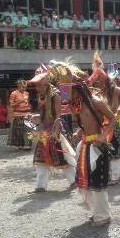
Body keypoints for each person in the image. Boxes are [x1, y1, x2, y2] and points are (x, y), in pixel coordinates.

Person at [72, 79, 116, 226]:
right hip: (85, 145)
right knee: (87, 182)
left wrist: (102, 137)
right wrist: (79, 131)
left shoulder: (96, 101)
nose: (65, 96)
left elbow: (114, 119)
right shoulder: (78, 104)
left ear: (77, 90)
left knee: (97, 181)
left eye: (67, 91)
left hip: (98, 146)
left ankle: (103, 216)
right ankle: (96, 212)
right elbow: (87, 122)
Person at [26, 65, 75, 193]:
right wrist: (35, 117)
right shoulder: (41, 96)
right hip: (43, 131)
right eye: (36, 85)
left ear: (46, 83)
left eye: (39, 85)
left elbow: (59, 116)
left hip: (55, 131)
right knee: (40, 159)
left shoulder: (56, 95)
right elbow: (43, 116)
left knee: (62, 158)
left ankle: (74, 181)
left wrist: (55, 132)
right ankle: (40, 186)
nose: (37, 88)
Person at [88, 52, 120, 185]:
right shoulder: (96, 91)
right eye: (95, 81)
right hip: (104, 124)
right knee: (107, 151)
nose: (97, 82)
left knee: (115, 150)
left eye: (99, 80)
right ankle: (113, 175)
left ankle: (116, 176)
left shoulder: (113, 88)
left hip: (115, 123)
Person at [8, 80, 32, 150]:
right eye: (22, 86)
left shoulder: (27, 93)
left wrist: (29, 110)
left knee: (28, 130)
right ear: (18, 85)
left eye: (25, 87)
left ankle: (28, 145)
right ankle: (19, 145)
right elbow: (12, 105)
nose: (23, 88)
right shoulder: (13, 93)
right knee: (18, 131)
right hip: (17, 114)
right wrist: (20, 101)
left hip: (27, 114)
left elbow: (28, 103)